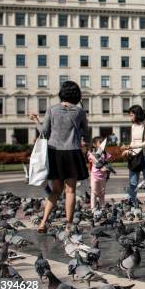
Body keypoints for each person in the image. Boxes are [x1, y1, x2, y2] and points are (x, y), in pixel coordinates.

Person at [29, 81, 89, 233]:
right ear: (77, 94)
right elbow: (86, 133)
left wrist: (36, 120)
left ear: (61, 92)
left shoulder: (52, 109)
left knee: (56, 190)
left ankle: (43, 222)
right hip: (72, 152)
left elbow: (44, 132)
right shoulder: (80, 112)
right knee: (70, 191)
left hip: (55, 153)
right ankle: (68, 224)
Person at [121, 105, 145, 208]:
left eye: (131, 115)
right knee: (132, 181)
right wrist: (128, 150)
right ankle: (132, 202)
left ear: (137, 114)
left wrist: (131, 146)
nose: (130, 117)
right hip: (135, 156)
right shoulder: (133, 126)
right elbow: (133, 141)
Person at [87, 136, 112, 210]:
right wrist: (102, 167)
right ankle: (93, 209)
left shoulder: (105, 153)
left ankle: (102, 208)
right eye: (100, 143)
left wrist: (108, 171)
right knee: (94, 192)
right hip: (94, 176)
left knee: (102, 193)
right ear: (94, 145)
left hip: (103, 176)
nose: (102, 145)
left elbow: (108, 163)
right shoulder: (91, 153)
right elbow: (94, 161)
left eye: (103, 143)